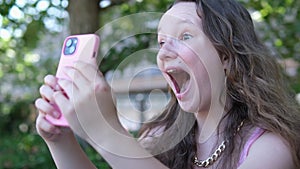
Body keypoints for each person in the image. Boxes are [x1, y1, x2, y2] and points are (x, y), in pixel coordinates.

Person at [35, 0, 300, 168]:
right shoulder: (158, 136)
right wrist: (61, 142)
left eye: (184, 36)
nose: (163, 53)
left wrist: (106, 133)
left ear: (226, 57)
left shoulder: (270, 149)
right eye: (162, 42)